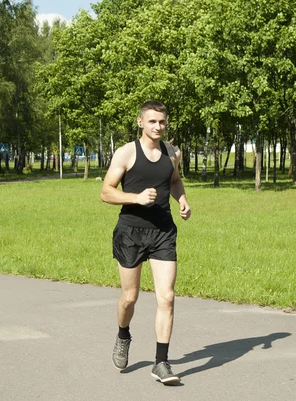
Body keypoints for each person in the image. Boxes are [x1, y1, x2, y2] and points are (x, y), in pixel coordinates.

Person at [100, 100, 191, 384]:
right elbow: (106, 192)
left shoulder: (172, 152)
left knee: (167, 297)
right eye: (152, 121)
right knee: (130, 297)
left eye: (162, 122)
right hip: (131, 232)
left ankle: (161, 363)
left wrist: (183, 199)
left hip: (163, 231)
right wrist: (136, 198)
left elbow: (174, 180)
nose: (158, 126)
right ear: (141, 122)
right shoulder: (127, 153)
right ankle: (123, 334)